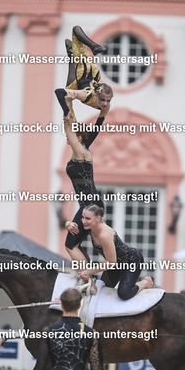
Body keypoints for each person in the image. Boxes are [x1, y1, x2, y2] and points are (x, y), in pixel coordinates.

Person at [20, 288, 106, 370]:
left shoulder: (48, 331)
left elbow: (40, 368)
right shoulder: (91, 333)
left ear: (61, 305)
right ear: (79, 306)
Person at [76, 204, 154, 300]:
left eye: (87, 218)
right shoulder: (90, 227)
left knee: (123, 294)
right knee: (101, 293)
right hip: (116, 263)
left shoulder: (104, 235)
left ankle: (146, 282)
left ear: (98, 218)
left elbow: (111, 262)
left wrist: (89, 271)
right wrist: (68, 225)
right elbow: (73, 226)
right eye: (83, 217)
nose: (83, 221)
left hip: (132, 260)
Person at [62, 110, 108, 261]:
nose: (68, 138)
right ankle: (87, 272)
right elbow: (96, 129)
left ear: (79, 138)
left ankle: (86, 275)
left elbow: (69, 131)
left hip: (89, 205)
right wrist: (103, 113)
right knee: (77, 244)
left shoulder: (80, 152)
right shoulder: (84, 150)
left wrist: (66, 120)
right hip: (92, 203)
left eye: (73, 136)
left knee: (70, 245)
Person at [55, 26, 112, 120]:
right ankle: (92, 47)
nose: (105, 103)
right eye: (103, 100)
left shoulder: (106, 106)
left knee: (69, 88)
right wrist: (66, 111)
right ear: (96, 95)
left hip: (92, 74)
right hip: (84, 72)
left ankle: (72, 55)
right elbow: (58, 92)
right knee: (67, 93)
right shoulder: (86, 95)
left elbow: (97, 126)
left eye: (108, 101)